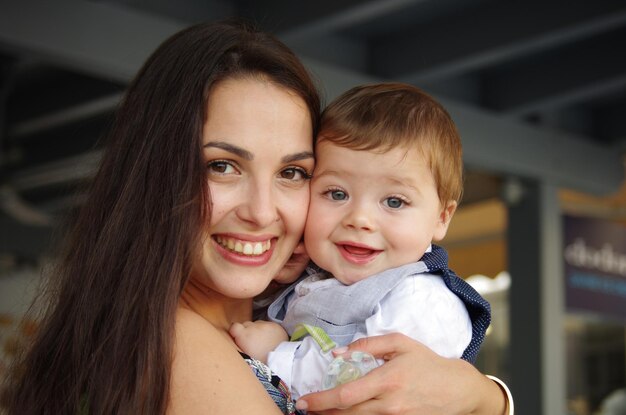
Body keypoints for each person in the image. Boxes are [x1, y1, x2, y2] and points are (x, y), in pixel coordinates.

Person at [2, 20, 512, 415]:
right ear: (153, 172)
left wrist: (481, 397)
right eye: (222, 166)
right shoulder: (181, 349)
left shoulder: (285, 312)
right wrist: (483, 399)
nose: (263, 211)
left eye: (292, 172)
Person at [230, 83, 491, 400]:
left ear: (442, 217)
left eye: (394, 202)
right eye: (337, 194)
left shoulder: (421, 300)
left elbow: (367, 381)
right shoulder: (318, 276)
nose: (359, 219)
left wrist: (276, 353)